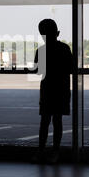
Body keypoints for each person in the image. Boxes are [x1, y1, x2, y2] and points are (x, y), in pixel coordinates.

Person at [32, 19, 73, 164]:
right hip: (61, 88)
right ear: (57, 33)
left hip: (47, 89)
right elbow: (70, 68)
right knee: (57, 121)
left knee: (44, 121)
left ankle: (40, 150)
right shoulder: (65, 48)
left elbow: (37, 71)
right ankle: (55, 151)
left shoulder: (41, 51)